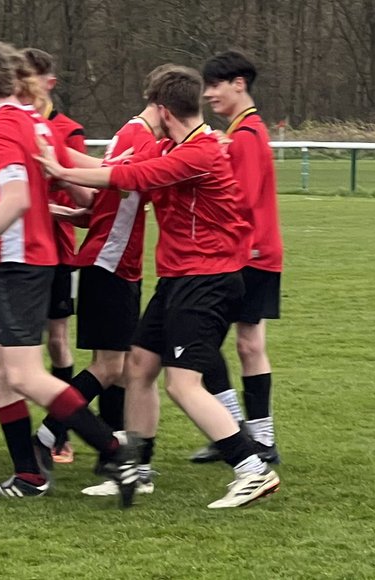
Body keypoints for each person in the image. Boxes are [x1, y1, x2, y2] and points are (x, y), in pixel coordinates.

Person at [37, 67, 281, 509]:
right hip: (178, 279)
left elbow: (128, 179)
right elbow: (114, 166)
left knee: (183, 385)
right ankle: (139, 468)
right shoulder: (175, 146)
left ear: (164, 111)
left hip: (206, 279)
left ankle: (252, 468)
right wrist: (52, 154)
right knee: (140, 369)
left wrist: (55, 165)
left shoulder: (200, 152)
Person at [0, 42, 132, 503]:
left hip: (19, 261)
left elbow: (15, 198)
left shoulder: (1, 128)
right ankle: (29, 475)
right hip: (33, 258)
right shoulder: (33, 122)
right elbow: (83, 195)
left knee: (26, 375)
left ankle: (114, 452)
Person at [189, 50, 283, 464]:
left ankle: (252, 436)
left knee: (214, 340)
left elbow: (236, 201)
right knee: (240, 343)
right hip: (254, 251)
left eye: (215, 85)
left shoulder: (245, 136)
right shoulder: (246, 131)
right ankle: (245, 433)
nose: (208, 94)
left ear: (238, 84)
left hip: (249, 253)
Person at [23, 47, 86, 463]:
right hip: (13, 254)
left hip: (58, 252)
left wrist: (52, 209)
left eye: (33, 78)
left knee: (58, 340)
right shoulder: (4, 124)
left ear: (49, 83)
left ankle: (59, 433)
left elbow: (86, 204)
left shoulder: (68, 131)